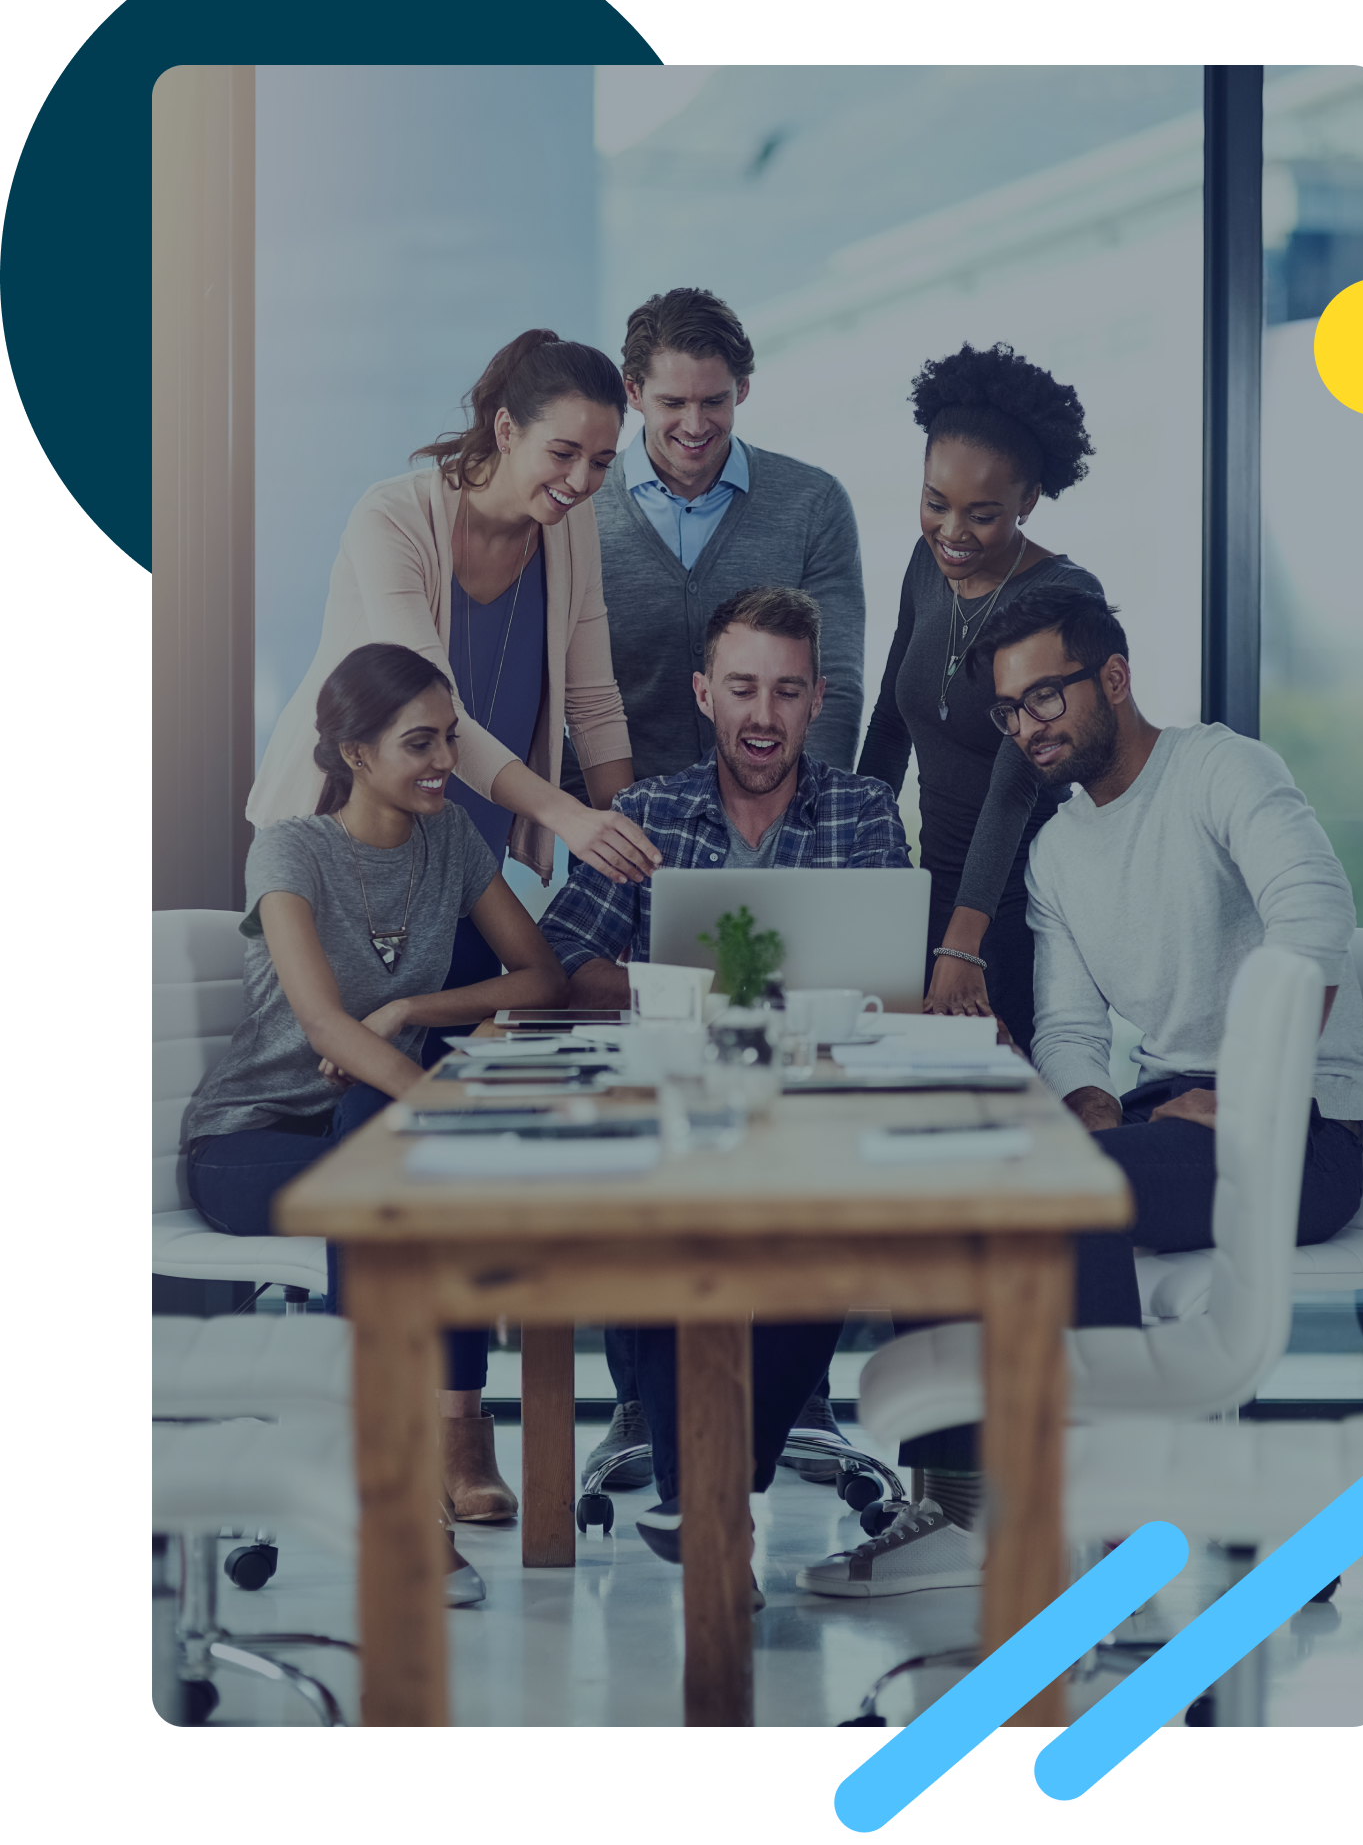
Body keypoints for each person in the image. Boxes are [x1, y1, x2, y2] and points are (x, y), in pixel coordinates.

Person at [796, 589, 1363, 1600]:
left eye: (1045, 696)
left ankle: (1125, 1519)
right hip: (1165, 1119)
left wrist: (1246, 1094)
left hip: (1296, 1132)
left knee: (1057, 1195)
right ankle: (960, 1506)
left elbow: (1313, 923)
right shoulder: (1057, 848)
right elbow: (1068, 1030)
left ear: (1111, 676)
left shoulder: (1222, 769)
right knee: (955, 1187)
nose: (1028, 726)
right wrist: (1090, 1111)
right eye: (1010, 711)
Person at [537, 587, 912, 1592]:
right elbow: (565, 965)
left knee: (820, 1229)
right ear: (704, 692)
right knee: (651, 1227)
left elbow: (893, 979)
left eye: (786, 691)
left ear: (816, 699)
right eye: (742, 687)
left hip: (815, 1117)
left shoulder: (862, 811)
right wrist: (720, 988)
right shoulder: (646, 812)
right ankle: (707, 1504)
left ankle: (709, 1496)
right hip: (673, 1118)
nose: (762, 714)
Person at [185, 644, 572, 1567]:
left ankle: (450, 1436)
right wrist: (448, 1105)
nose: (446, 762)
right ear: (355, 753)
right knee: (401, 1153)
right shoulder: (289, 850)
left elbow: (541, 975)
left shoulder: (449, 841)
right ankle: (392, 1471)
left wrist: (411, 1010)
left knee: (400, 1148)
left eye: (450, 738)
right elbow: (324, 1025)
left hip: (372, 1122)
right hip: (253, 1145)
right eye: (419, 743)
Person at [248, 329, 663, 1032]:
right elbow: (432, 712)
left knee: (453, 1069)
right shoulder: (393, 518)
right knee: (340, 1074)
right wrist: (564, 816)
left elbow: (593, 704)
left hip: (462, 853)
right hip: (349, 839)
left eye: (600, 462)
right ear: (506, 428)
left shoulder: (572, 527)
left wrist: (624, 850)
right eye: (563, 453)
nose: (581, 481)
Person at [856, 342, 1104, 1048]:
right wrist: (853, 867)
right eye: (936, 503)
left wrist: (963, 941)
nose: (952, 533)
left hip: (1020, 906)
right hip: (929, 895)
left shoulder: (1058, 596)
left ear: (1029, 500)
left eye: (983, 514)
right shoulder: (927, 562)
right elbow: (887, 725)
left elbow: (1014, 786)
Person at [574, 287, 866, 788]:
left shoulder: (813, 504)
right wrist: (598, 818)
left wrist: (805, 817)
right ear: (634, 392)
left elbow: (833, 682)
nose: (695, 425)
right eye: (673, 402)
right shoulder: (578, 512)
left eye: (715, 401)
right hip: (623, 826)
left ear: (743, 388)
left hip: (783, 826)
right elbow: (557, 697)